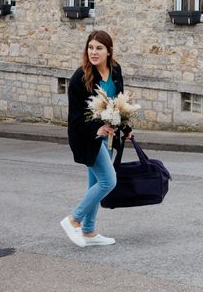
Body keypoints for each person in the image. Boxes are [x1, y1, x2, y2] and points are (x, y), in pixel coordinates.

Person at [60, 30, 131, 247]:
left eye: (99, 48)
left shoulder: (115, 71)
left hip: (108, 138)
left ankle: (89, 232)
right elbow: (75, 118)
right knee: (108, 181)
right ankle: (73, 219)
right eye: (90, 47)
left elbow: (119, 103)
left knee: (96, 183)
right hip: (87, 137)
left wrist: (126, 126)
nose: (93, 52)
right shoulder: (79, 78)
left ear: (109, 51)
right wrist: (96, 130)